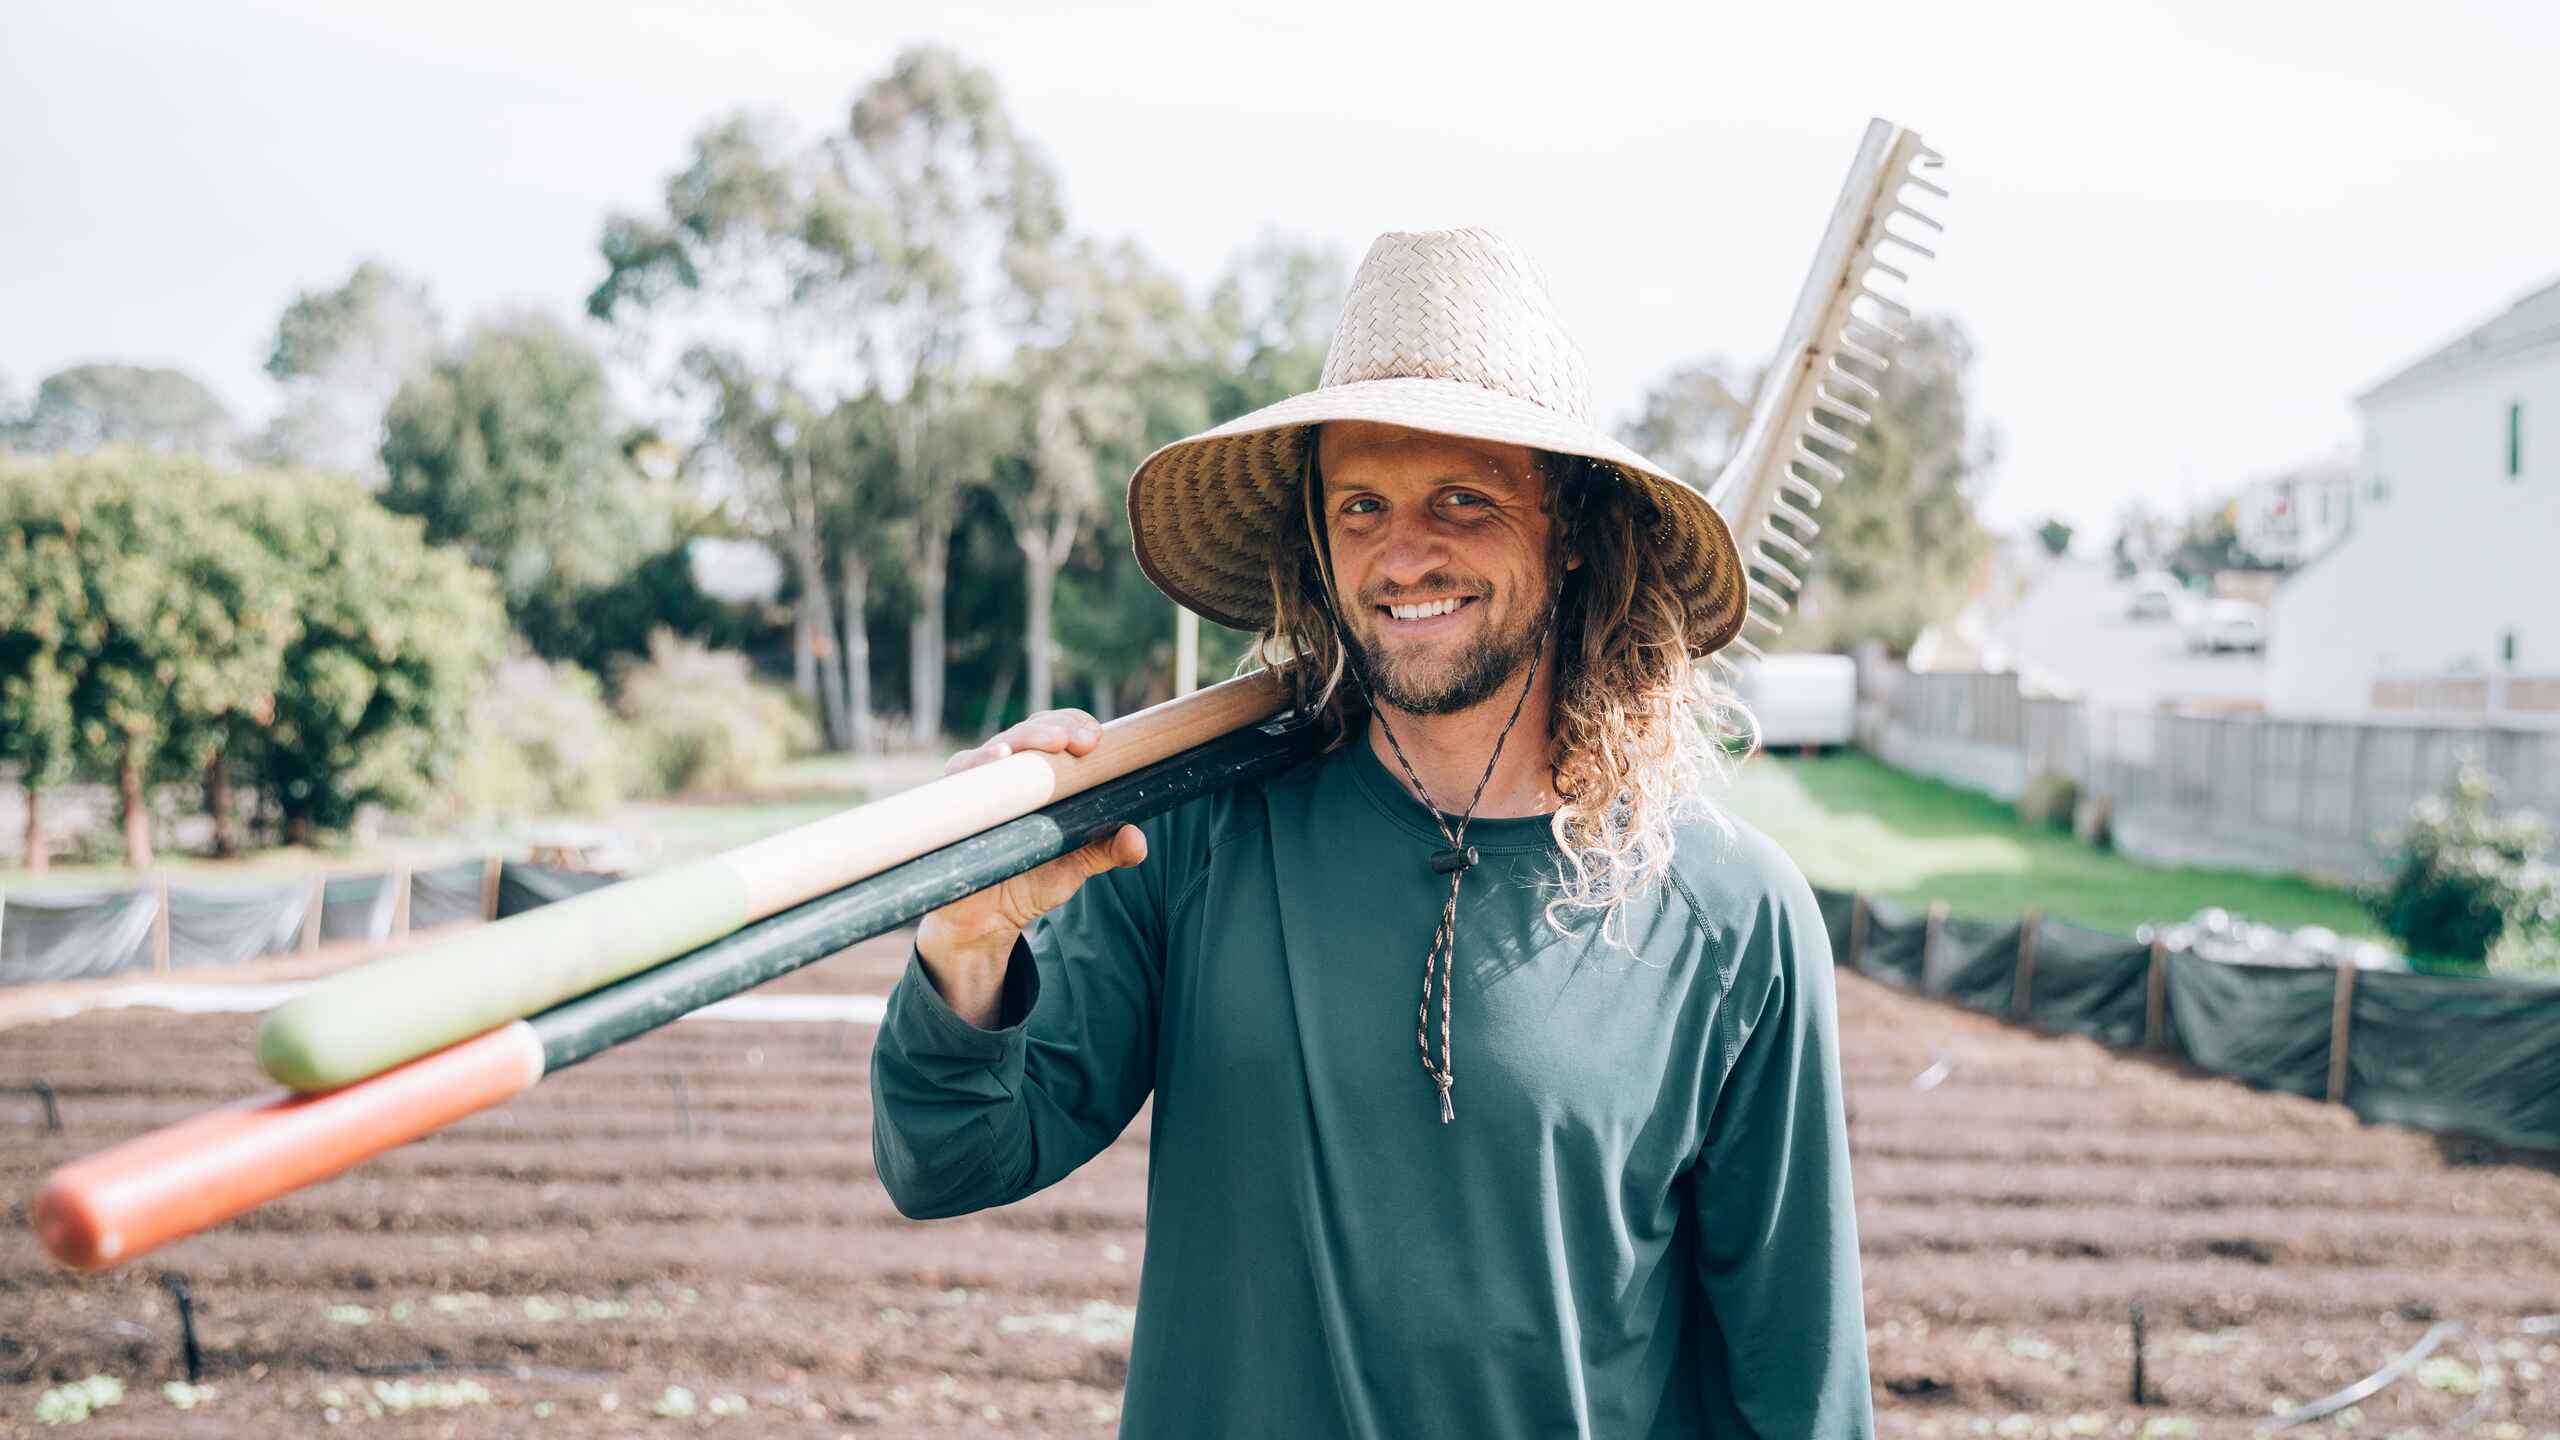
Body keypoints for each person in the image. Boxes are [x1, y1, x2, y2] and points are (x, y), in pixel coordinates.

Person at [871, 227, 1872, 1438]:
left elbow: (1798, 1386)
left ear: (1572, 529)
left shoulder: (1729, 918)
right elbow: (952, 1159)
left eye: (1463, 499)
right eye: (1362, 506)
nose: (1404, 554)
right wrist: (967, 943)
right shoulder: (1188, 838)